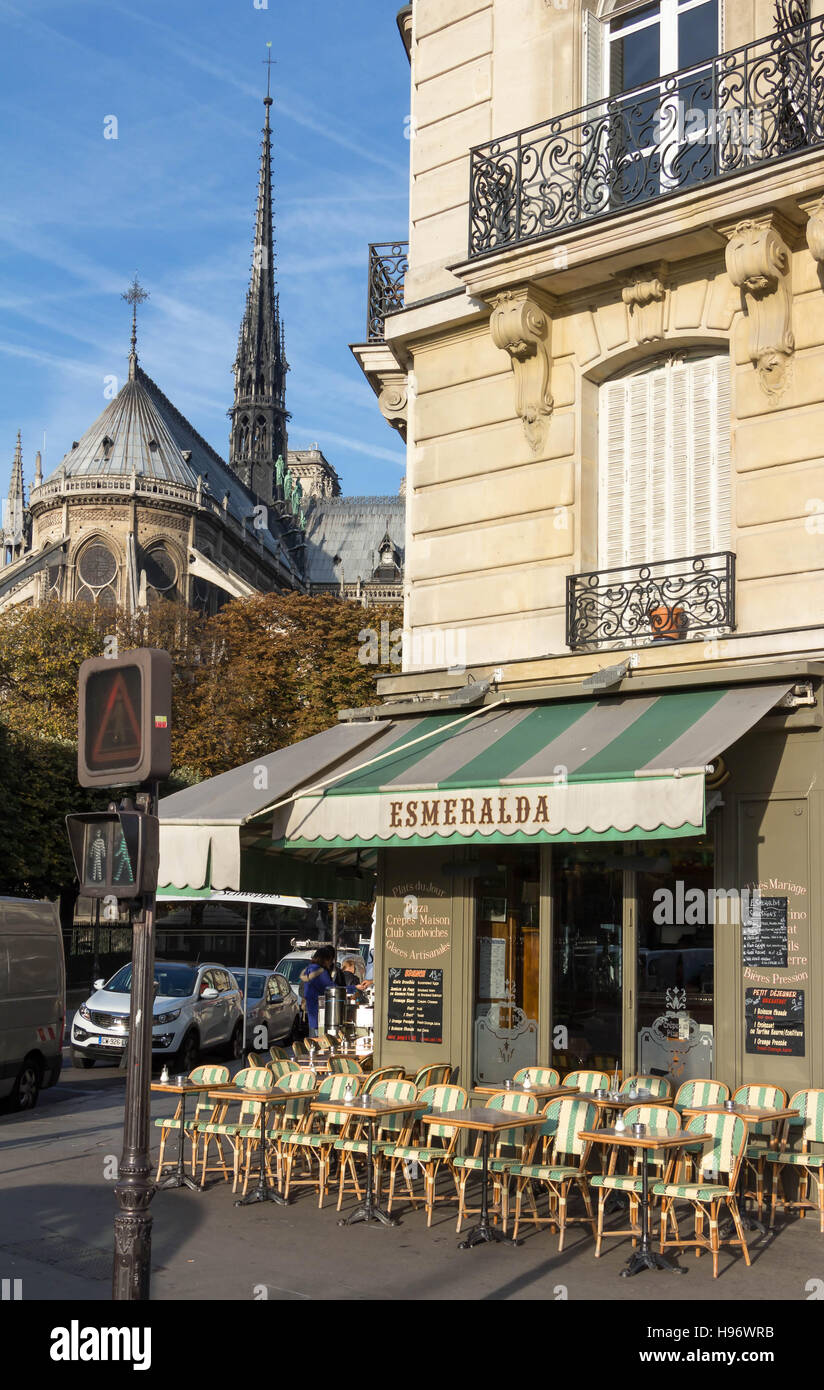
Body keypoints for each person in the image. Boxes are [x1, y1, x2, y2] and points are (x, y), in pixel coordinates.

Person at [299, 947, 335, 1037]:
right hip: (320, 1012)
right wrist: (353, 988)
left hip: (313, 1011)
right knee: (322, 1040)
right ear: (325, 959)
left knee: (314, 1037)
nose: (331, 963)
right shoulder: (320, 971)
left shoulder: (310, 968)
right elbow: (331, 987)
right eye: (330, 960)